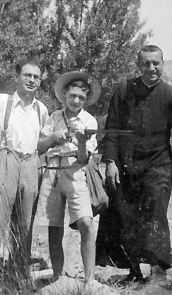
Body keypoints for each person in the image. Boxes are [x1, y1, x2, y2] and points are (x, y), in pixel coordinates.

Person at [96, 45, 172, 281]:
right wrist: (109, 161)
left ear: (162, 64)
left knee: (156, 212)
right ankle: (134, 272)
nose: (151, 68)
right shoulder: (123, 90)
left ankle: (158, 271)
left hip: (158, 164)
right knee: (127, 217)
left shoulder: (171, 94)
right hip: (125, 165)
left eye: (155, 63)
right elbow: (112, 129)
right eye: (146, 63)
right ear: (138, 65)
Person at [0, 61, 48, 291]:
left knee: (23, 230)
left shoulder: (41, 109)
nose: (32, 80)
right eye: (27, 75)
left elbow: (41, 144)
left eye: (36, 77)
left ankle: (14, 284)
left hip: (30, 165)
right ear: (17, 77)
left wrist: (56, 138)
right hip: (5, 161)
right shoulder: (0, 102)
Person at [37, 71, 101, 288]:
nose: (76, 101)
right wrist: (55, 137)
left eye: (81, 98)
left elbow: (84, 159)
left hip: (75, 171)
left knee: (86, 222)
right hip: (52, 171)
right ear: (64, 94)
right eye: (73, 96)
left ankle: (90, 280)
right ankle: (58, 278)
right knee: (54, 227)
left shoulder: (90, 121)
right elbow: (40, 147)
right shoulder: (53, 118)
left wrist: (81, 142)